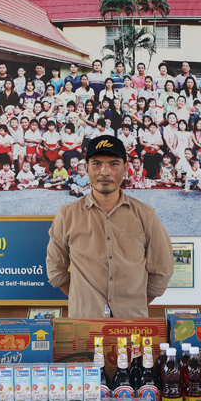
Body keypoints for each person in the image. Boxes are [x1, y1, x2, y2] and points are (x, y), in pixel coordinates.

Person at [46, 134, 174, 318]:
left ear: (126, 168)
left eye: (114, 164)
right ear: (86, 167)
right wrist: (83, 299)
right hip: (84, 324)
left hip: (132, 326)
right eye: (96, 163)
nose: (104, 172)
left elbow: (162, 270)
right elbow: (55, 269)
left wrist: (132, 303)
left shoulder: (145, 215)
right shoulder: (67, 215)